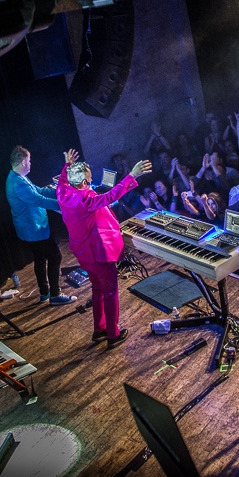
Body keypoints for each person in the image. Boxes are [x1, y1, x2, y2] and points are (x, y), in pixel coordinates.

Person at [56, 149, 152, 348]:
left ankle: (99, 329)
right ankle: (112, 334)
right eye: (90, 179)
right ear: (84, 182)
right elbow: (110, 196)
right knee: (109, 292)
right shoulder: (86, 199)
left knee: (97, 288)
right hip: (97, 254)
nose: (92, 182)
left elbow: (62, 180)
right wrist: (132, 175)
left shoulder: (63, 193)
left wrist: (67, 164)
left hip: (82, 253)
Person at [5, 145, 77, 305]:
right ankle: (55, 295)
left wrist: (61, 192)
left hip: (30, 229)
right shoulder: (18, 184)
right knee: (55, 256)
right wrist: (67, 204)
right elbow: (40, 200)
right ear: (23, 162)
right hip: (34, 229)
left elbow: (40, 191)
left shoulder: (17, 177)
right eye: (29, 161)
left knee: (40, 259)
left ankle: (45, 293)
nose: (30, 164)